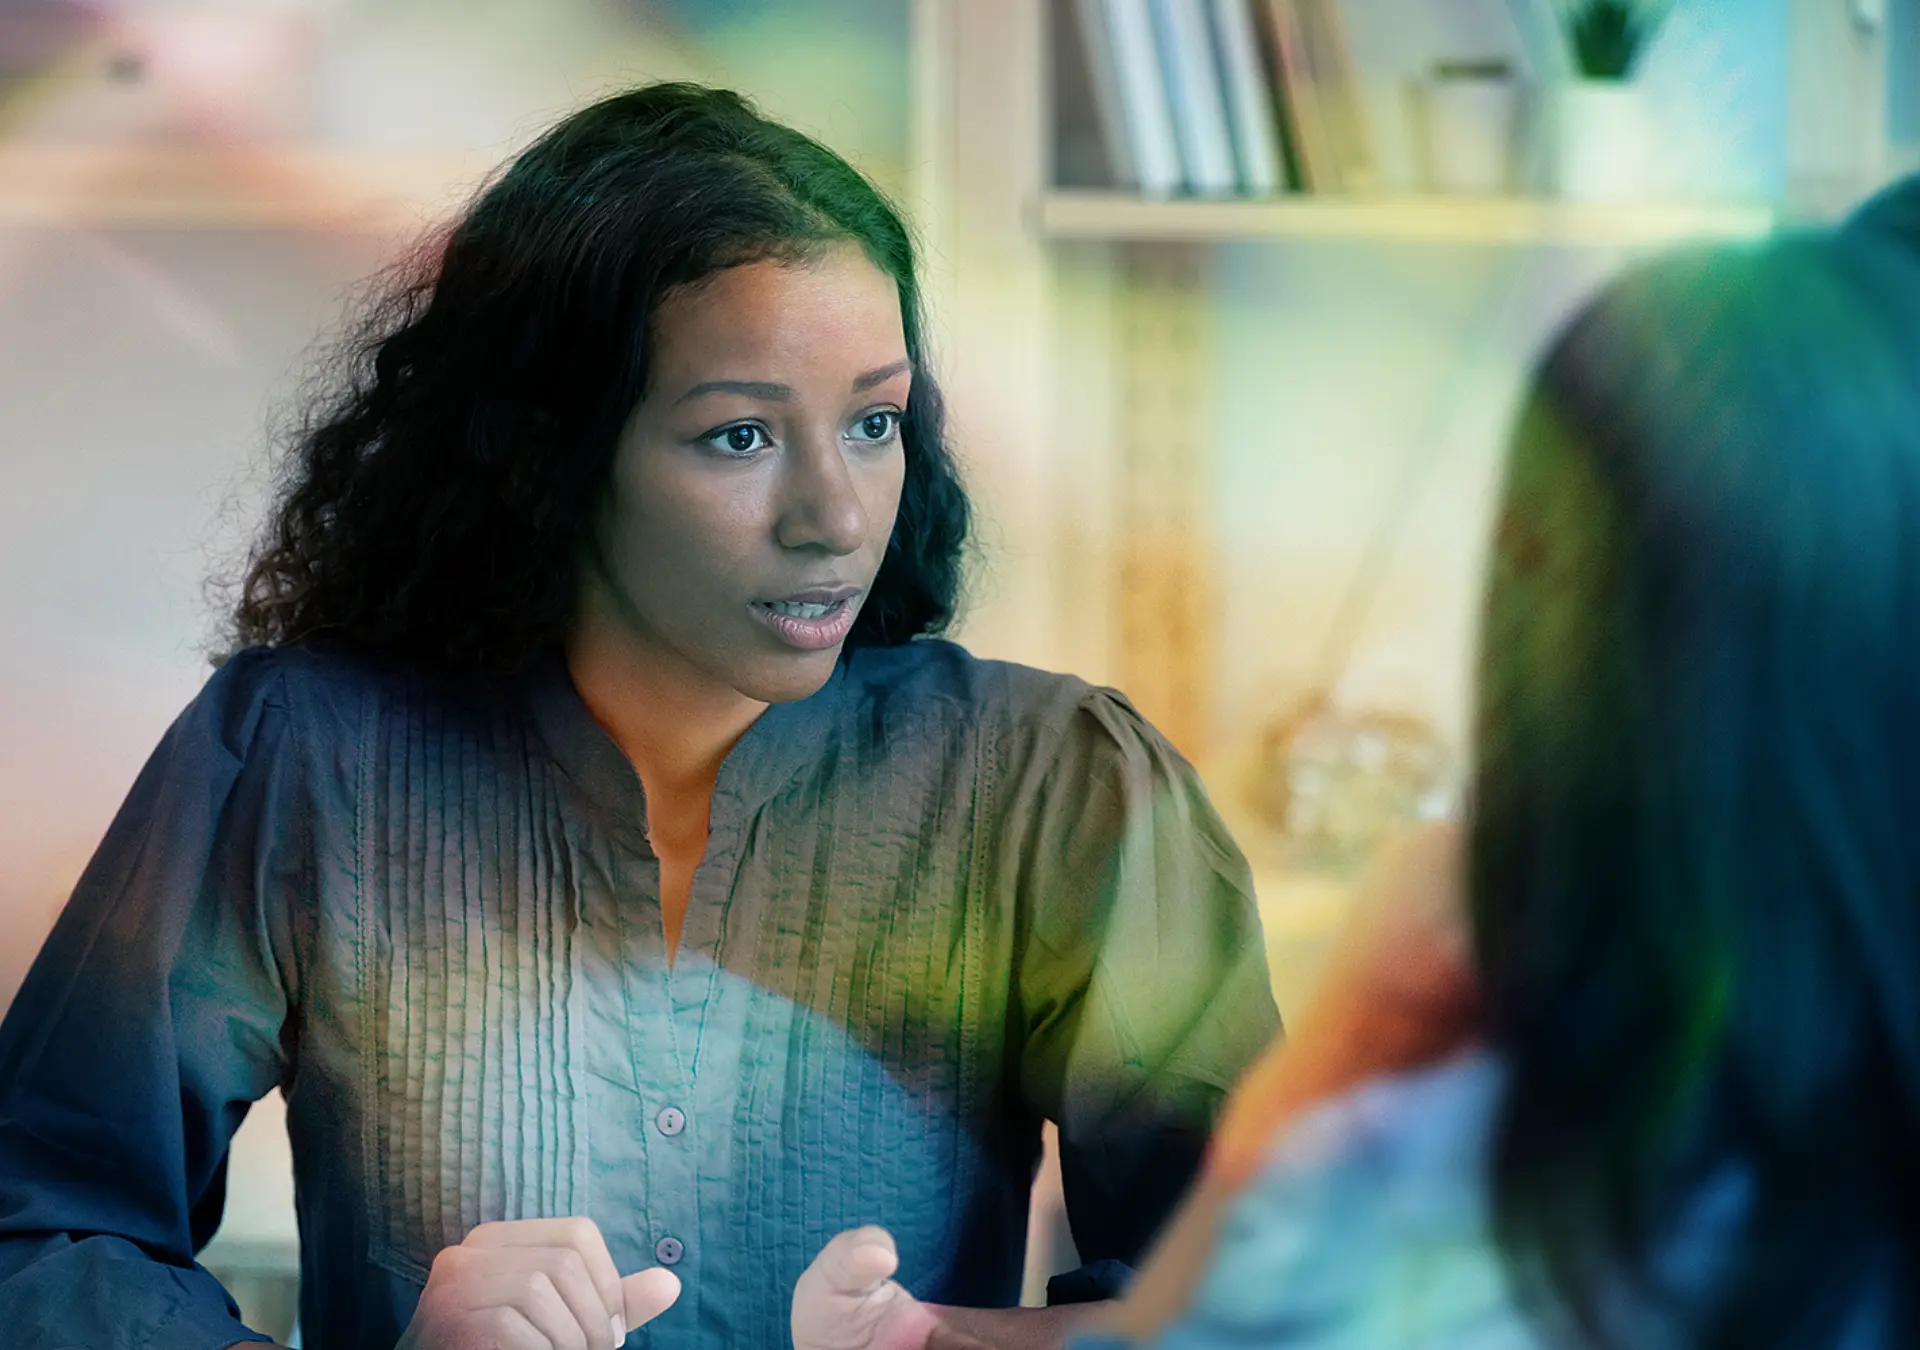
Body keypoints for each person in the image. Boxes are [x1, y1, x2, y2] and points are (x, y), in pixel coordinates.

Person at [0, 83, 1280, 1350]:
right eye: (740, 438)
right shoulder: (297, 762)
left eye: (874, 422)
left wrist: (945, 1343)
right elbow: (38, 1238)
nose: (837, 517)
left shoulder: (1057, 789)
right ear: (545, 455)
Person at [796, 227, 1920, 1349]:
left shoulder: (1435, 1181)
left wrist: (1330, 1065)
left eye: (876, 423)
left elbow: (1206, 1322)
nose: (831, 516)